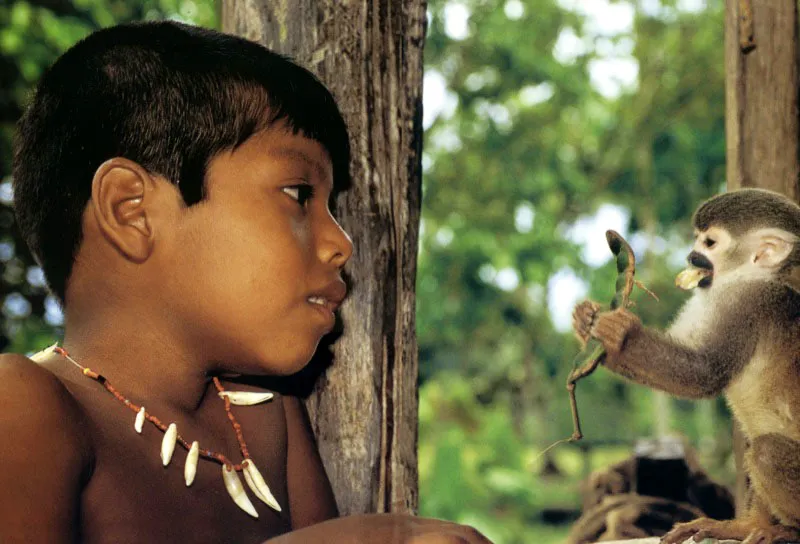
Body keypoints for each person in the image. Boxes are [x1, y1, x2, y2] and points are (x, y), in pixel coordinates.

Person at [2, 21, 490, 544]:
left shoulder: (264, 423)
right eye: (300, 194)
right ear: (131, 211)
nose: (341, 243)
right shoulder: (26, 403)